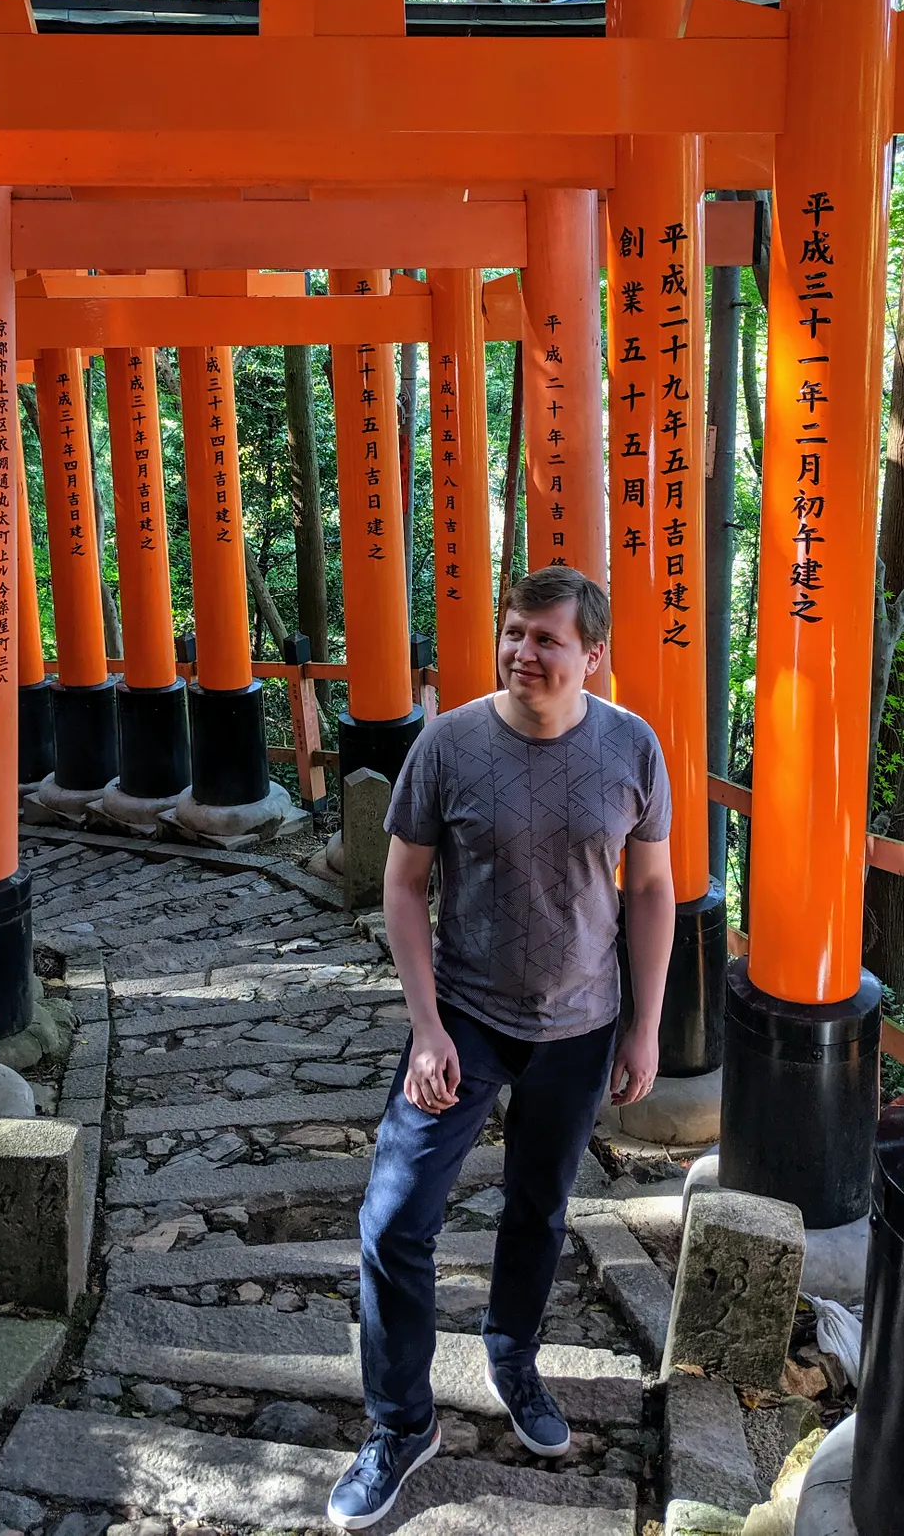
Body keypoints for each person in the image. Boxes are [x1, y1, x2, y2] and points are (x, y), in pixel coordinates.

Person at [327, 565, 676, 1530]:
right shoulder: (448, 745)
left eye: (546, 638)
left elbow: (650, 892)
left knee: (540, 1206)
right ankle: (400, 1423)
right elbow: (403, 886)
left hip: (583, 1020)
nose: (524, 651)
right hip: (467, 1017)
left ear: (591, 654)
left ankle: (512, 1352)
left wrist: (643, 1024)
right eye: (514, 632)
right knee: (396, 1216)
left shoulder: (631, 748)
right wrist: (428, 1025)